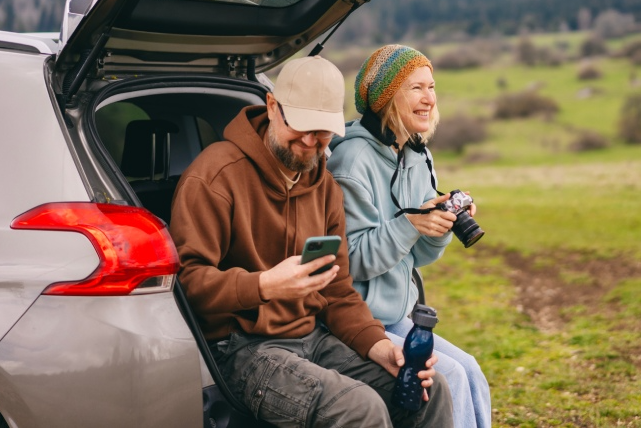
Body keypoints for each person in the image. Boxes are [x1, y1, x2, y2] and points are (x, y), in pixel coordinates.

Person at [169, 55, 452, 428]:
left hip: (312, 337)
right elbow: (187, 282)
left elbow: (337, 291)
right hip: (242, 349)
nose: (308, 141)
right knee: (359, 408)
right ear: (272, 107)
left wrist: (379, 346)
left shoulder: (324, 187)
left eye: (321, 131)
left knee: (429, 391)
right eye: (300, 125)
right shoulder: (215, 175)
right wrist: (263, 285)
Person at [328, 45, 492, 428]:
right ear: (386, 97)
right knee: (447, 377)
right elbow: (350, 262)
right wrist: (410, 225)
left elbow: (416, 257)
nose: (429, 99)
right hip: (360, 320)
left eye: (431, 87)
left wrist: (440, 225)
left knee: (470, 370)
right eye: (416, 88)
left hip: (397, 316)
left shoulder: (417, 155)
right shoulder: (351, 162)